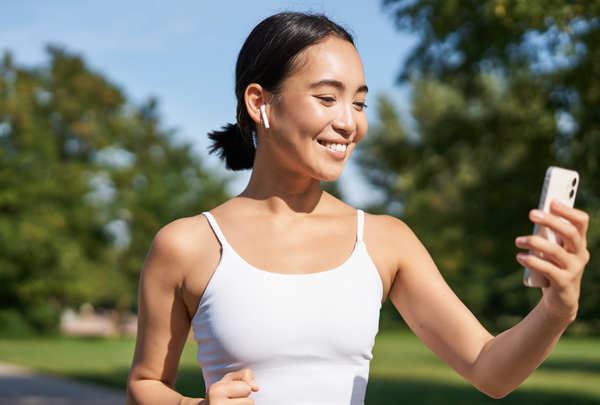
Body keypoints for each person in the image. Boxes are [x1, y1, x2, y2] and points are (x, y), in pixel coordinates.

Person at [126, 11, 590, 405]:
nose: (349, 122)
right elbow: (145, 385)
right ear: (259, 102)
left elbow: (491, 371)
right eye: (327, 98)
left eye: (360, 102)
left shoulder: (386, 241)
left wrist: (557, 308)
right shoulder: (186, 245)